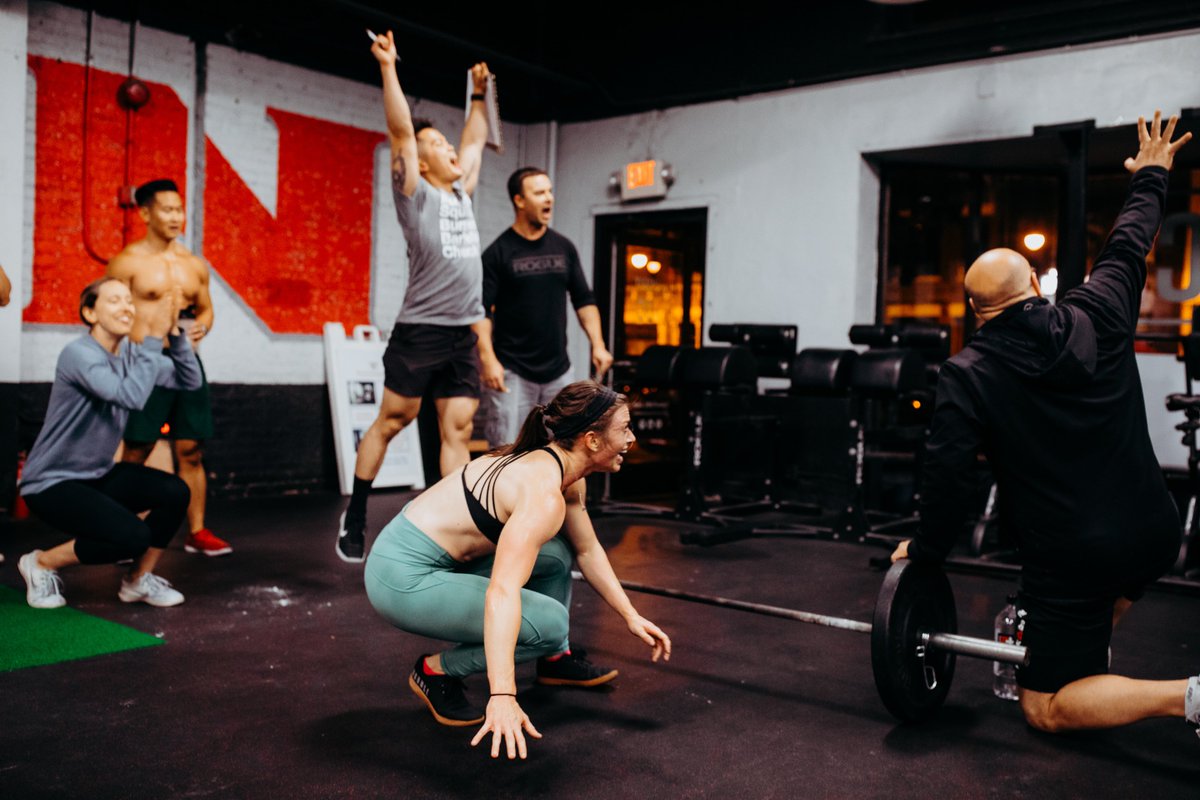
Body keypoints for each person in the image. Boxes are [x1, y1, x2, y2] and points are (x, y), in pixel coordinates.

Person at [891, 111, 1200, 737]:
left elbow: (947, 477)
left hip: (1074, 556)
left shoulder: (968, 372)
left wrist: (925, 553)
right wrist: (1152, 175)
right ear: (1037, 283)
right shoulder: (1101, 309)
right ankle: (1089, 665)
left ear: (975, 310)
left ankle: (1188, 697)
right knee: (1090, 621)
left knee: (1045, 706)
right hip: (1154, 530)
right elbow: (1128, 242)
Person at [364, 380, 671, 760]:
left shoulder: (563, 471)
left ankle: (554, 659)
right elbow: (502, 592)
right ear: (592, 440)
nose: (631, 438)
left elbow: (588, 550)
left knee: (557, 554)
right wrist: (502, 694)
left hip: (434, 556)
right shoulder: (543, 495)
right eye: (624, 429)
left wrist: (630, 614)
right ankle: (436, 670)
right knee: (551, 623)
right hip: (399, 578)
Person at [337, 30, 492, 562]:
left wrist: (477, 95)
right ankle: (356, 512)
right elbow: (402, 131)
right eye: (437, 147)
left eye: (445, 146)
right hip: (421, 330)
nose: (449, 149)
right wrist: (388, 66)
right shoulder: (415, 194)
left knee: (459, 428)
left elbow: (473, 139)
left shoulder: (460, 191)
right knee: (394, 419)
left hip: (460, 335)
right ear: (419, 164)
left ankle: (455, 522)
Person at [16, 276, 200, 609]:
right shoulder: (78, 354)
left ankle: (137, 581)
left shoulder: (132, 353)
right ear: (90, 313)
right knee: (131, 537)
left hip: (97, 474)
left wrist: (178, 340)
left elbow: (188, 380)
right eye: (114, 300)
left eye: (129, 301)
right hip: (51, 482)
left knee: (175, 492)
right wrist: (153, 338)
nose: (126, 307)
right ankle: (40, 562)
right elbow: (128, 395)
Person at [107, 179, 229, 557]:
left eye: (180, 209)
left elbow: (205, 308)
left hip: (187, 362)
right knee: (137, 448)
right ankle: (121, 532)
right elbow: (110, 310)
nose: (177, 217)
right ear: (145, 213)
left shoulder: (194, 265)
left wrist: (202, 329)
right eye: (168, 209)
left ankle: (197, 530)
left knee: (191, 449)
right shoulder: (128, 262)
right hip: (146, 362)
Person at [475, 167, 614, 448]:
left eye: (549, 191)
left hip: (558, 371)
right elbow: (480, 310)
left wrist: (597, 344)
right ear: (519, 200)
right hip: (512, 371)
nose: (548, 198)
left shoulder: (563, 247)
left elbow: (584, 300)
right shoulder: (497, 253)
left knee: (568, 451)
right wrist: (488, 359)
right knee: (506, 451)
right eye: (539, 193)